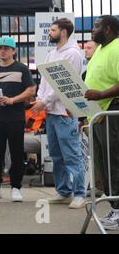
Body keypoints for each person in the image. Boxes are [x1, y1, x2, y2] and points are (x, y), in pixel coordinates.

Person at [30, 18, 85, 208]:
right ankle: (64, 191)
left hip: (65, 113)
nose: (49, 32)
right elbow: (44, 81)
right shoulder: (51, 53)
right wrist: (40, 99)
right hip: (51, 113)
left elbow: (63, 85)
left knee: (71, 154)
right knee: (56, 155)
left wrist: (43, 102)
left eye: (52, 30)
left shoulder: (73, 54)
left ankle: (79, 193)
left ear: (63, 32)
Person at [0, 37, 35, 202]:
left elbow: (31, 90)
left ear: (14, 51)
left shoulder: (22, 68)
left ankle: (16, 187)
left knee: (16, 152)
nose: (2, 51)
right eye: (0, 48)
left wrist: (12, 100)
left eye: (6, 48)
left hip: (15, 117)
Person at [84, 15, 119, 230]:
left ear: (107, 29)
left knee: (113, 161)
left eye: (97, 26)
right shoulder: (99, 49)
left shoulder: (116, 47)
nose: (92, 29)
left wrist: (101, 95)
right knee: (103, 164)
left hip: (111, 111)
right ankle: (115, 207)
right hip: (97, 113)